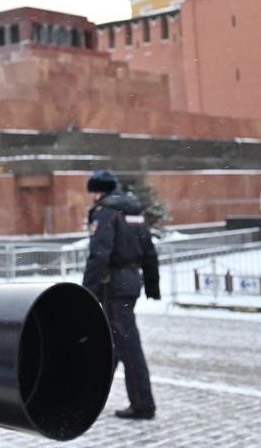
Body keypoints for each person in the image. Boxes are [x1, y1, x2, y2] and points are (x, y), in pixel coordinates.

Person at [81, 169, 160, 421]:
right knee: (112, 344)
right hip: (130, 281)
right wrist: (152, 283)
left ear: (97, 191)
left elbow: (100, 253)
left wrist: (86, 292)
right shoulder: (133, 210)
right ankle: (88, 397)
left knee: (127, 345)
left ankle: (143, 404)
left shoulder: (106, 212)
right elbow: (149, 249)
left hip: (113, 285)